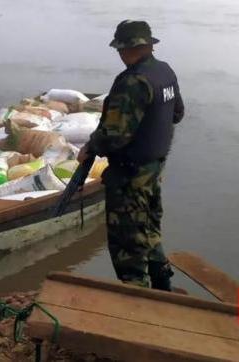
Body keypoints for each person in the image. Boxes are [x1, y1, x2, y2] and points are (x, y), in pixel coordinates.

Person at [78, 20, 185, 291]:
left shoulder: (132, 82)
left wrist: (90, 147)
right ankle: (163, 288)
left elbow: (115, 135)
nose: (119, 54)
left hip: (129, 177)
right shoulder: (165, 73)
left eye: (119, 49)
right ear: (148, 44)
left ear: (126, 49)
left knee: (128, 244)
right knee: (149, 230)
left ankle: (137, 304)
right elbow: (177, 114)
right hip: (154, 170)